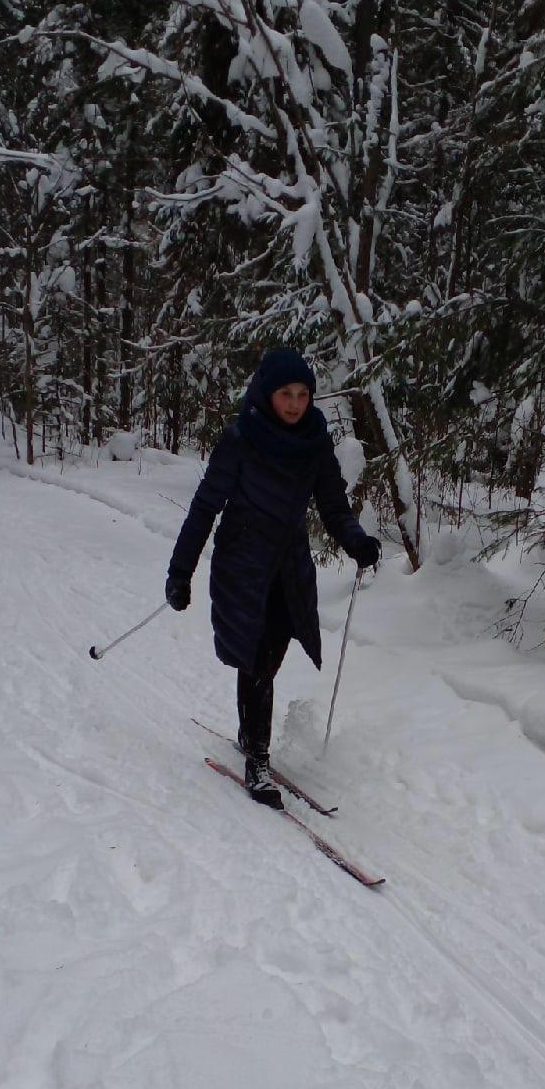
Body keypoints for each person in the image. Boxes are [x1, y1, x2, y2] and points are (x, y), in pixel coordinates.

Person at [165, 347, 381, 809]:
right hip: (242, 565)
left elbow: (333, 503)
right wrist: (180, 571)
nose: (295, 403)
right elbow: (206, 506)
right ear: (268, 392)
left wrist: (356, 540)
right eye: (286, 393)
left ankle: (250, 728)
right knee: (256, 656)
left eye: (303, 394)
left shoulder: (314, 442)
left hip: (289, 567)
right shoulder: (241, 438)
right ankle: (258, 758)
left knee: (273, 653)